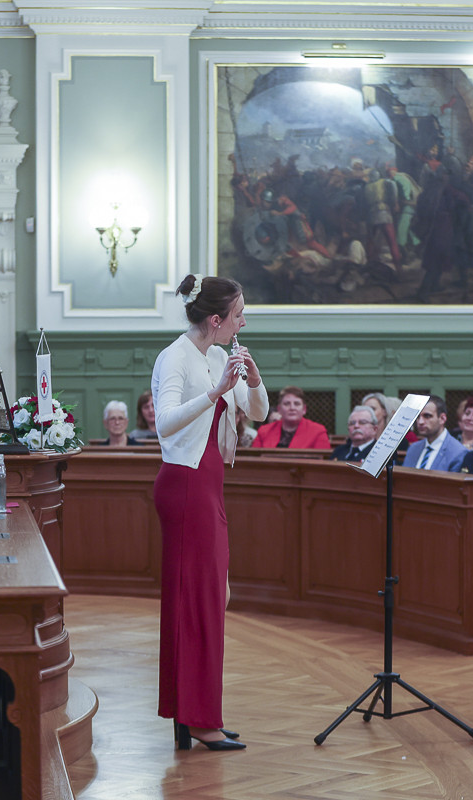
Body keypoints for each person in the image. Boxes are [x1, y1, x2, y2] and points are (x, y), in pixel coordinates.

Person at [152, 273, 267, 752]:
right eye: (239, 315)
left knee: (211, 598)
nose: (244, 323)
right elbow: (164, 422)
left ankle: (196, 712)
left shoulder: (219, 355)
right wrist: (215, 393)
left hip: (208, 486)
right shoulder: (175, 357)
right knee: (197, 602)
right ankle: (198, 719)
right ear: (216, 320)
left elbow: (258, 413)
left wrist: (253, 380)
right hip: (185, 486)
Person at [252, 386, 330, 449]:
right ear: (279, 409)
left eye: (297, 404)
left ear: (304, 409)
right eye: (287, 404)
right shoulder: (264, 431)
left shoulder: (318, 432)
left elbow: (324, 461)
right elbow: (254, 459)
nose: (292, 408)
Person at [403, 395, 466, 471]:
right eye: (418, 417)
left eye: (427, 416)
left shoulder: (458, 452)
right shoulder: (413, 448)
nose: (420, 422)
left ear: (442, 418)